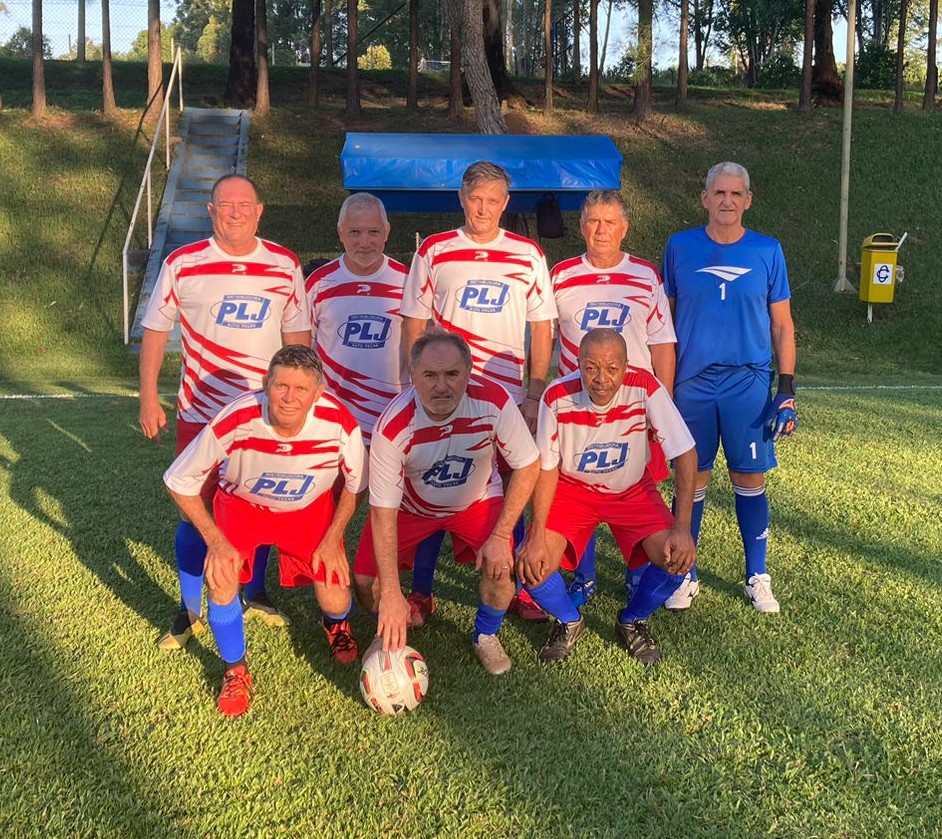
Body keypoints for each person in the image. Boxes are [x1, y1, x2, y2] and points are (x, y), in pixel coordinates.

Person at [139, 174, 312, 650]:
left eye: (244, 205)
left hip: (266, 414)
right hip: (202, 413)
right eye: (226, 205)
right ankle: (189, 608)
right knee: (193, 509)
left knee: (260, 502)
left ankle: (255, 593)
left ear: (260, 211)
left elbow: (297, 339)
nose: (236, 213)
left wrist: (302, 401)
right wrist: (149, 396)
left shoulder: (284, 264)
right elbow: (156, 330)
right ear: (211, 210)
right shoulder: (183, 263)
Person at [164, 345, 367, 717]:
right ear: (265, 384)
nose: (289, 397)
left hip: (308, 511)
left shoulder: (341, 423)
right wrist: (215, 541)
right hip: (243, 507)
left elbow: (357, 485)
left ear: (318, 393)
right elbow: (178, 480)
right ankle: (235, 670)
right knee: (222, 579)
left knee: (336, 598)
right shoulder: (236, 417)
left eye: (301, 389)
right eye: (281, 386)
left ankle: (335, 625)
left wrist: (332, 538)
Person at [399, 161, 557, 626]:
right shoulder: (434, 250)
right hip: (444, 393)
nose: (483, 209)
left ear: (505, 204)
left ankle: (519, 585)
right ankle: (422, 591)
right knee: (433, 484)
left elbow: (541, 327)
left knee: (512, 489)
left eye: (493, 200)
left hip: (504, 398)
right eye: (475, 199)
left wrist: (534, 394)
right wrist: (415, 387)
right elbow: (413, 323)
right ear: (461, 199)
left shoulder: (528, 253)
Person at [353, 331, 540, 675]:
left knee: (501, 569)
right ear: (413, 375)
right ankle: (388, 625)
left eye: (452, 374)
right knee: (365, 582)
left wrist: (501, 536)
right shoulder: (392, 428)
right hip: (411, 509)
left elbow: (528, 465)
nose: (441, 386)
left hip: (476, 501)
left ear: (468, 372)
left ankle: (485, 634)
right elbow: (382, 514)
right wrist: (392, 592)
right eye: (430, 375)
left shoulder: (494, 400)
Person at [661, 161, 797, 613]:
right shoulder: (679, 247)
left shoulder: (767, 250)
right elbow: (664, 321)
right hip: (692, 383)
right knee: (691, 477)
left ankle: (757, 575)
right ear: (705, 198)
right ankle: (685, 573)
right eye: (719, 192)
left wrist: (786, 388)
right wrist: (662, 386)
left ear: (748, 200)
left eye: (736, 193)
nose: (727, 201)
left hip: (748, 382)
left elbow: (782, 325)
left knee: (749, 476)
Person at [516, 328, 697, 665]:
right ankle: (569, 621)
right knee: (531, 566)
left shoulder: (644, 386)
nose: (601, 379)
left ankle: (632, 620)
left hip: (632, 491)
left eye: (612, 368)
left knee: (677, 558)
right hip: (572, 491)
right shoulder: (557, 396)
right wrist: (537, 532)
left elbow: (685, 453)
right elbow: (546, 468)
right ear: (578, 364)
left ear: (626, 366)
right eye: (591, 368)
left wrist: (682, 527)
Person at [550, 190, 678, 607]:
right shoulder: (561, 275)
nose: (601, 230)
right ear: (581, 227)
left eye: (610, 222)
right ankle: (583, 576)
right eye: (593, 221)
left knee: (636, 489)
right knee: (578, 486)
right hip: (579, 411)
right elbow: (545, 338)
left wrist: (663, 407)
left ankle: (636, 573)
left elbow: (662, 343)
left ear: (624, 229)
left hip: (633, 411)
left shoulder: (645, 275)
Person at [305, 193, 409, 446]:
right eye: (355, 232)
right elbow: (303, 352)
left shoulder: (408, 281)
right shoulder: (319, 283)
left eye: (373, 232)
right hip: (334, 421)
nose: (365, 242)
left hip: (394, 420)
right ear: (340, 232)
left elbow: (422, 349)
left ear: (387, 232)